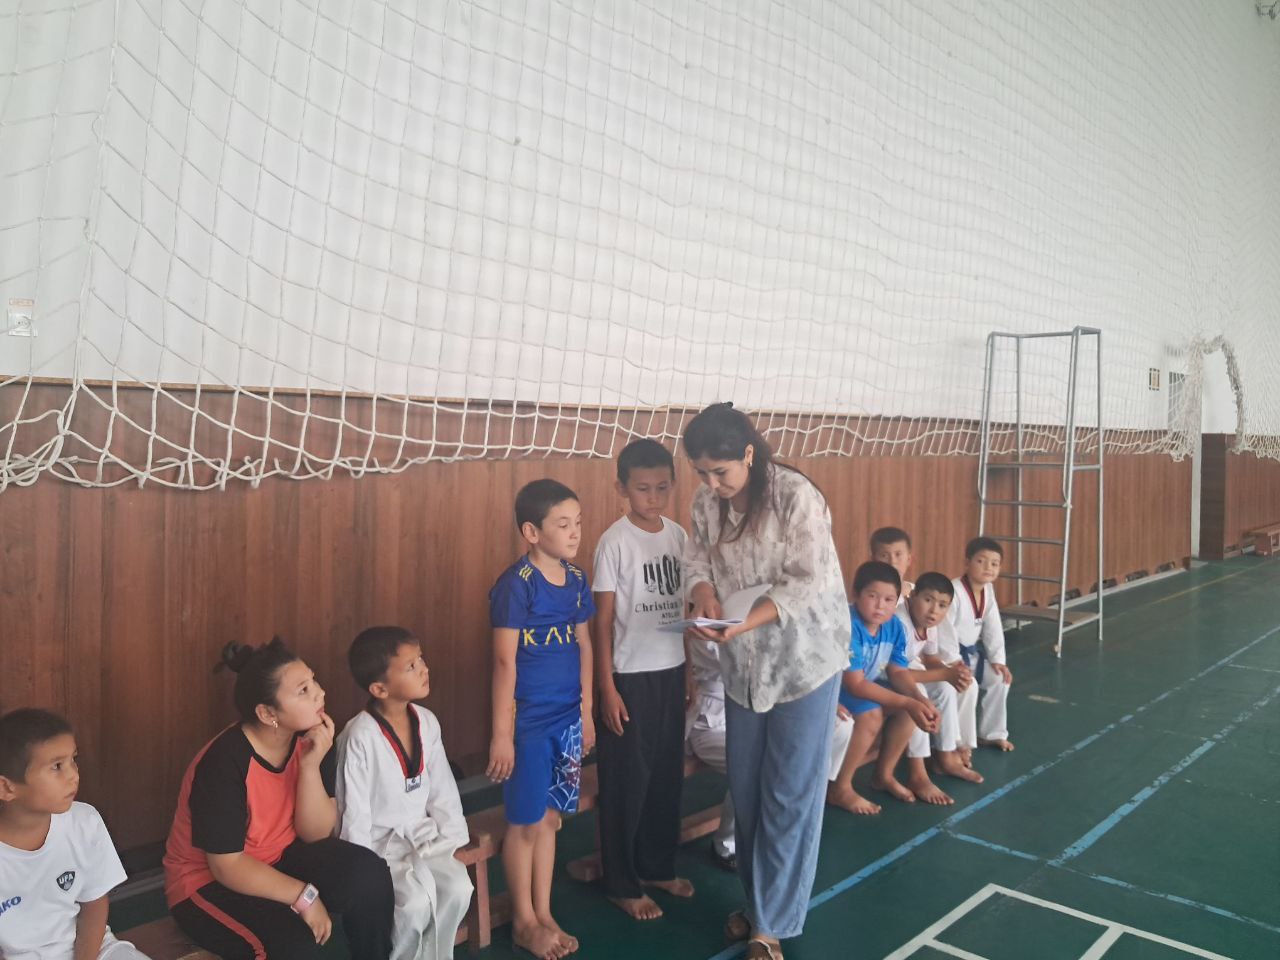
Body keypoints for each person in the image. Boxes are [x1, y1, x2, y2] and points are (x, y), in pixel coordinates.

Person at [682, 402, 850, 960]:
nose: (712, 484)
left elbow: (807, 581)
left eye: (720, 472)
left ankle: (772, 927)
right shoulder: (706, 502)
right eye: (701, 472)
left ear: (749, 455)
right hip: (743, 666)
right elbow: (696, 561)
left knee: (790, 794)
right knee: (748, 791)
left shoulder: (796, 497)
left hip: (804, 662)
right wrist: (703, 594)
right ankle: (759, 906)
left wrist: (743, 623)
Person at [163, 638, 394, 960]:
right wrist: (304, 895)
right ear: (267, 713)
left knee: (368, 875)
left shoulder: (313, 737)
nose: (320, 693)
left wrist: (310, 766)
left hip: (279, 856)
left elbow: (315, 833)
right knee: (294, 947)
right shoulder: (223, 763)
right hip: (207, 883)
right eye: (303, 690)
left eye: (313, 681)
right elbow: (227, 866)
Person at [487, 479, 596, 960]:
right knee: (526, 822)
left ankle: (544, 913)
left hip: (567, 720)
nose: (575, 532)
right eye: (563, 524)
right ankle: (523, 921)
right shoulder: (516, 586)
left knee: (551, 819)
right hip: (528, 725)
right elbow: (504, 663)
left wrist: (586, 713)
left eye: (578, 522)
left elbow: (585, 646)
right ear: (532, 532)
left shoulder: (576, 580)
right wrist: (502, 735)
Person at [593, 439, 694, 920]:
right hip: (629, 679)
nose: (653, 498)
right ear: (622, 489)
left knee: (665, 777)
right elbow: (602, 622)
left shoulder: (678, 536)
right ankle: (621, 881)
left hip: (671, 672)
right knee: (626, 783)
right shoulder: (614, 542)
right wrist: (607, 687)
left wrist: (688, 670)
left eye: (662, 487)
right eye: (642, 488)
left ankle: (656, 866)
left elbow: (684, 609)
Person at [336, 626, 472, 960]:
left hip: (425, 837)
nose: (424, 668)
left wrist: (454, 837)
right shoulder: (358, 736)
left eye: (420, 659)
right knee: (413, 906)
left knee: (458, 888)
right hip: (380, 847)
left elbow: (442, 787)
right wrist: (364, 871)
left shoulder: (427, 721)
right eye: (411, 666)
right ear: (379, 688)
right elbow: (354, 811)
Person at [0, 708, 152, 960]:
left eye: (74, 759)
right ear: (6, 787)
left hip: (93, 950)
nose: (73, 775)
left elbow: (94, 905)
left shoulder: (84, 820)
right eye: (57, 766)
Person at [826, 562, 940, 815]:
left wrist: (919, 700)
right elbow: (855, 684)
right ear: (856, 594)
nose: (880, 606)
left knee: (911, 708)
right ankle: (840, 788)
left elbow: (897, 672)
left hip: (861, 684)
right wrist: (908, 701)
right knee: (871, 714)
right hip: (833, 688)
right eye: (872, 596)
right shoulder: (848, 624)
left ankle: (883, 775)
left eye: (889, 599)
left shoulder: (894, 626)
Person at [948, 537, 1015, 754]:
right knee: (968, 685)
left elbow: (993, 627)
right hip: (947, 658)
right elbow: (943, 632)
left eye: (994, 564)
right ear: (967, 562)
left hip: (971, 656)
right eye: (981, 561)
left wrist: (998, 660)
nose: (988, 568)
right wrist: (955, 662)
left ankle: (992, 734)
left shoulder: (988, 590)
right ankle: (959, 743)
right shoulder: (953, 590)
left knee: (1000, 679)